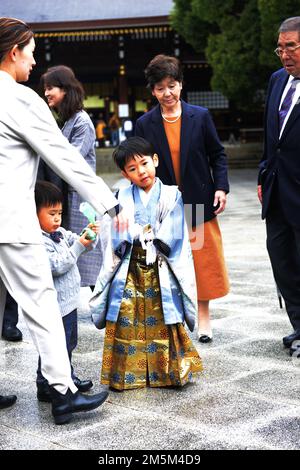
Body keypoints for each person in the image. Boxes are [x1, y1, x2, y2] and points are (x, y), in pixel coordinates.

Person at [0, 16, 126, 425]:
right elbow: (65, 158)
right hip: (12, 223)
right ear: (13, 51)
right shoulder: (18, 99)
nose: (34, 64)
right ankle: (62, 392)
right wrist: (111, 206)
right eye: (31, 54)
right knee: (43, 306)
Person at [90, 137, 202, 390]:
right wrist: (131, 234)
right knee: (126, 316)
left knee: (164, 316)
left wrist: (155, 238)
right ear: (124, 173)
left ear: (155, 160)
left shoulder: (173, 195)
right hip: (130, 265)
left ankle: (168, 372)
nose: (141, 171)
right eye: (132, 168)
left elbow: (176, 230)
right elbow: (113, 233)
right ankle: (127, 374)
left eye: (144, 163)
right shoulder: (120, 197)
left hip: (160, 265)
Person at [135, 55, 230, 343]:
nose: (168, 93)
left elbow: (218, 154)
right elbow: (138, 161)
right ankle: (171, 318)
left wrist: (220, 187)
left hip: (199, 202)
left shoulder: (199, 116)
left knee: (202, 259)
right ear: (153, 91)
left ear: (181, 86)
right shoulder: (144, 123)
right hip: (164, 206)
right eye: (161, 88)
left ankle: (203, 318)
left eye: (172, 86)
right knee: (164, 260)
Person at [258, 16, 300, 358]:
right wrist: (262, 173)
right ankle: (299, 326)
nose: (284, 54)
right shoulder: (277, 81)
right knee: (282, 262)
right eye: (280, 48)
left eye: (292, 47)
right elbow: (271, 138)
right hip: (276, 192)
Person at [38, 65, 102, 290]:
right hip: (69, 194)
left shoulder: (82, 121)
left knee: (89, 249)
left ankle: (106, 307)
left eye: (50, 88)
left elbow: (71, 158)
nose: (46, 93)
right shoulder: (67, 121)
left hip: (81, 197)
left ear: (66, 89)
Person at [34, 181, 99, 402]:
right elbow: (58, 264)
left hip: (70, 302)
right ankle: (45, 383)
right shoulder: (39, 242)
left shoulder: (60, 233)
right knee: (55, 346)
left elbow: (78, 241)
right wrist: (80, 245)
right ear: (34, 215)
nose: (57, 219)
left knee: (69, 343)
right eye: (51, 213)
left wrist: (88, 235)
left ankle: (66, 376)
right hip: (56, 305)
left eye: (59, 213)